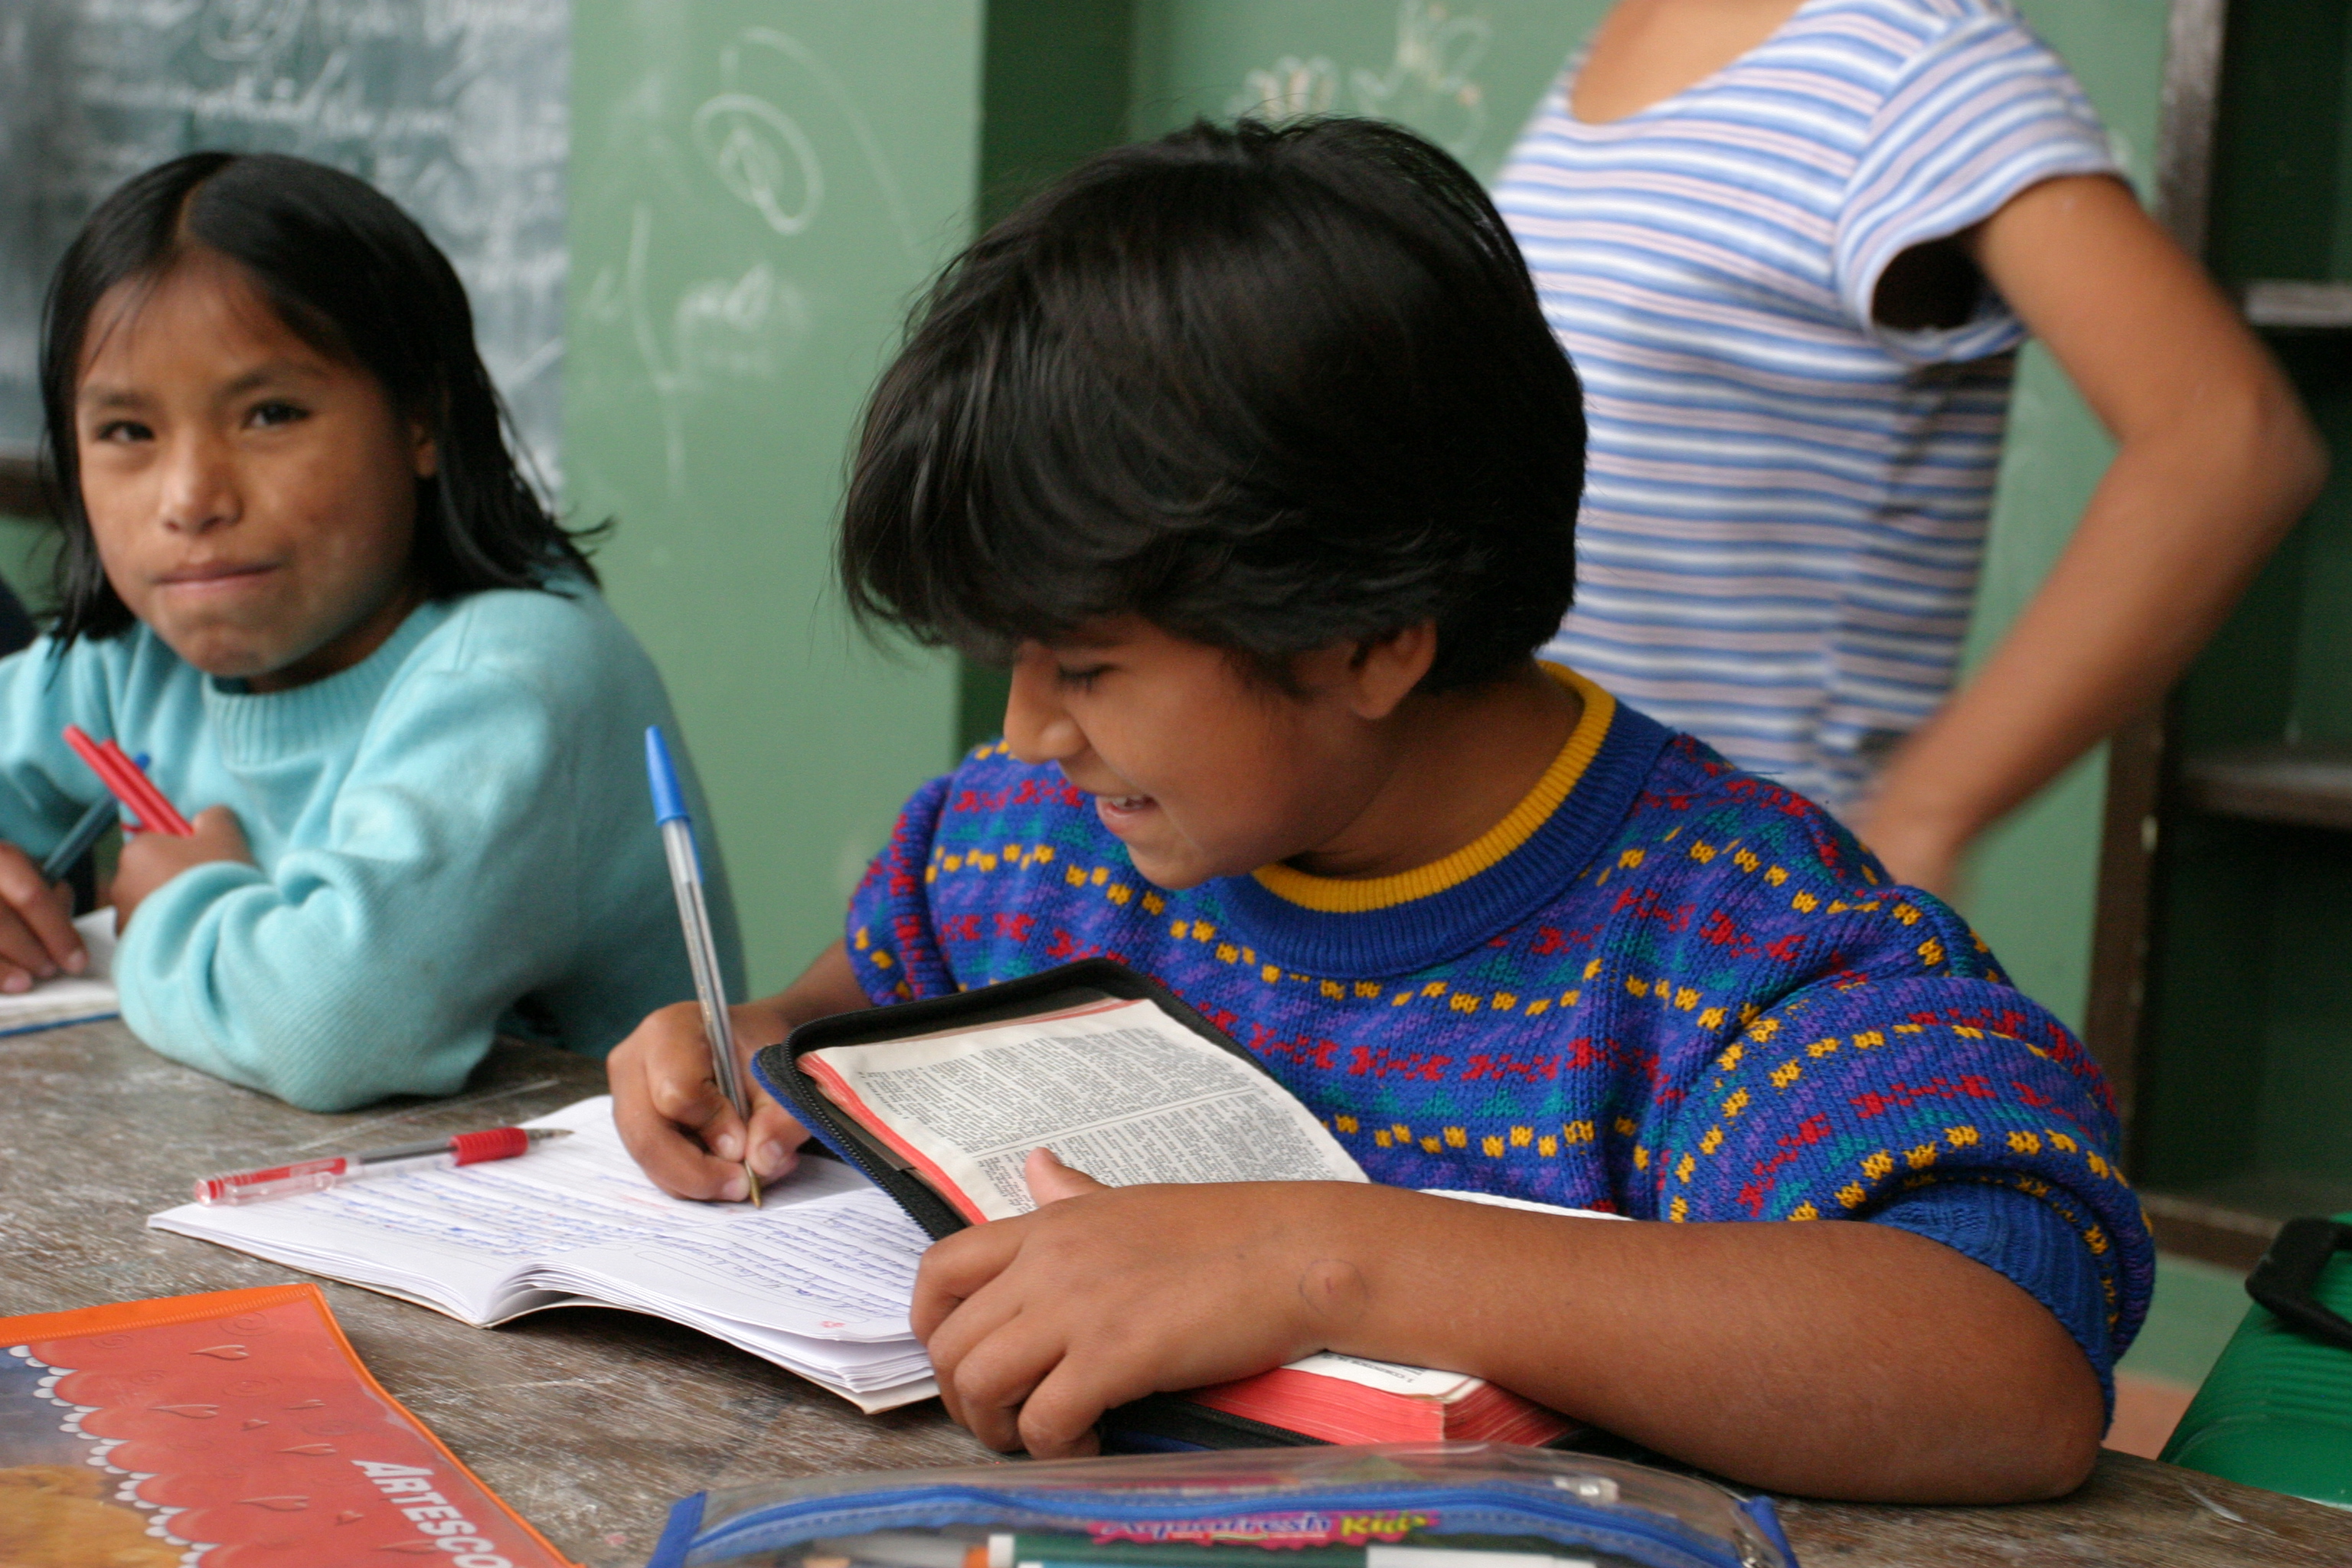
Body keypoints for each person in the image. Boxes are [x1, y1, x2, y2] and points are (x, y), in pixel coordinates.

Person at [609, 119, 2151, 1503]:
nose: (1025, 734)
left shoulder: (1723, 942)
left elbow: (2000, 1361)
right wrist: (770, 1041)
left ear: (1366, 637)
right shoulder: (1037, 844)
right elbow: (888, 976)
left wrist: (1311, 1257)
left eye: (1084, 665)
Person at [1491, 0, 2325, 893]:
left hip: (1732, 910)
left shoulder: (1917, 64)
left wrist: (1926, 812)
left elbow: (2228, 440)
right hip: (1540, 880)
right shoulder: (1637, 26)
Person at [0, 151, 739, 1111]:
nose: (190, 499)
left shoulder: (517, 679)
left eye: (270, 414)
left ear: (420, 420)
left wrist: (176, 904)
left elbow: (330, 1024)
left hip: (559, 1201)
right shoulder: (132, 659)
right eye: (128, 433)